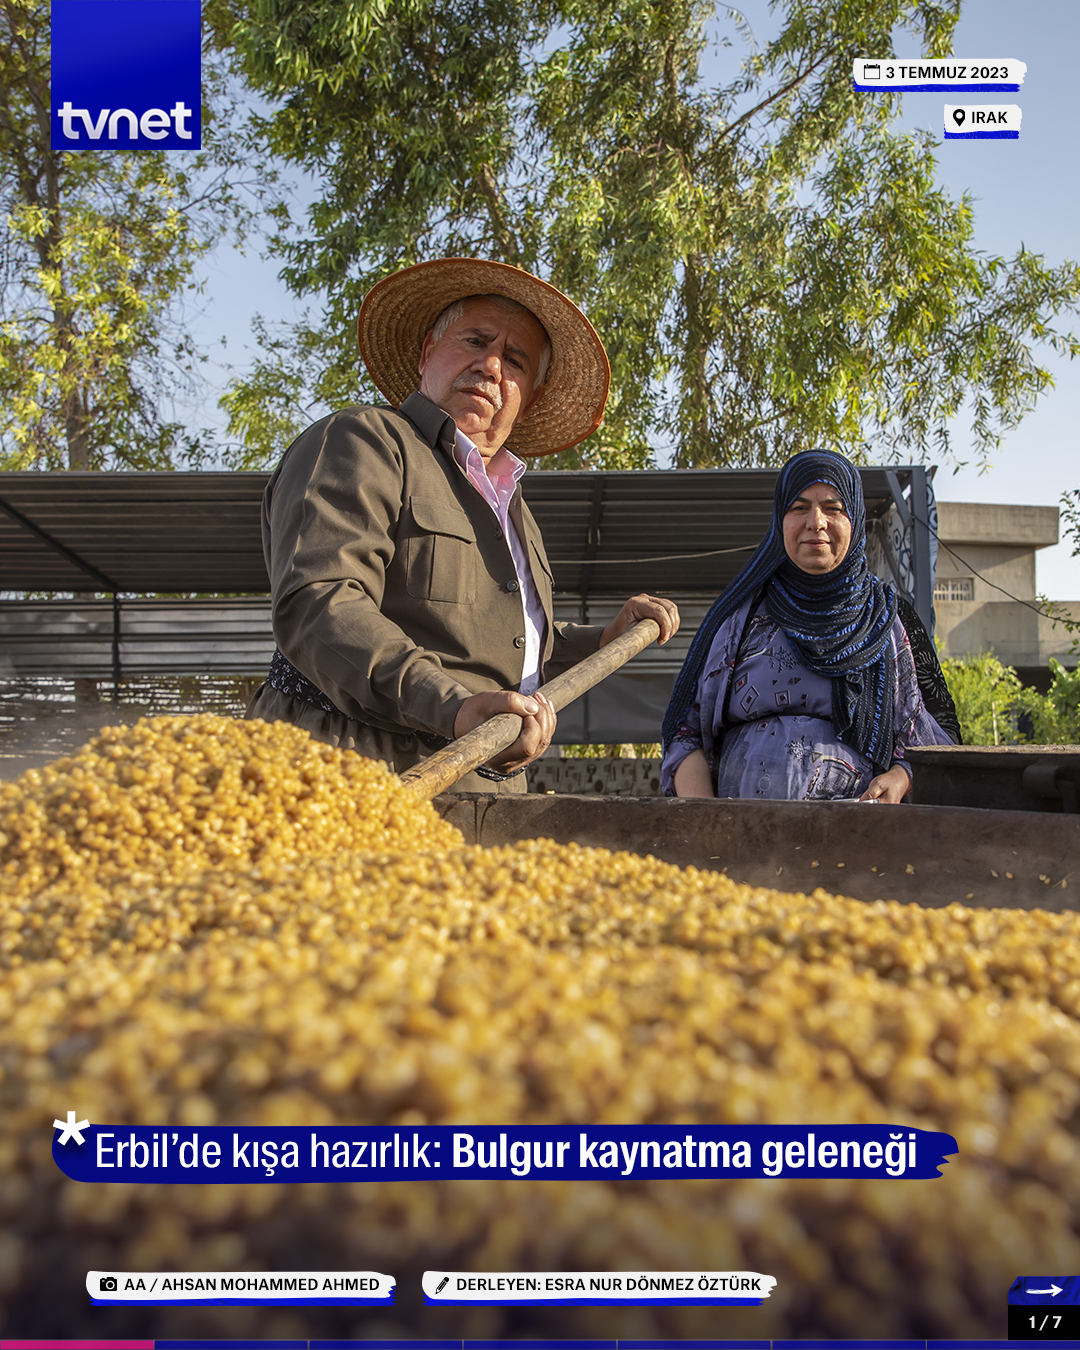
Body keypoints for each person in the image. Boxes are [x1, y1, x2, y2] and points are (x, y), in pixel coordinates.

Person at [247, 256, 679, 791]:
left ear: (531, 395)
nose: (492, 366)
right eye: (476, 341)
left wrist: (600, 640)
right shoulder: (365, 441)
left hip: (480, 784)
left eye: (515, 360)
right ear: (429, 351)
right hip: (349, 769)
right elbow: (322, 604)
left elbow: (514, 650)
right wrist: (453, 707)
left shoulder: (513, 508)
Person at [661, 449, 959, 803]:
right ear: (779, 520)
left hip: (861, 842)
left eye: (833, 508)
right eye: (799, 508)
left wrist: (900, 776)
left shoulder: (889, 618)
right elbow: (686, 734)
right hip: (739, 842)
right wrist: (706, 820)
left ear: (856, 520)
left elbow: (937, 743)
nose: (815, 522)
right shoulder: (738, 616)